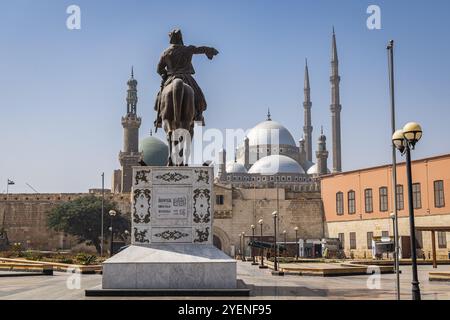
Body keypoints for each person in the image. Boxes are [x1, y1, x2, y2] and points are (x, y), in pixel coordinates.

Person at [154, 29, 219, 128]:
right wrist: (211, 51)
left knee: (160, 96)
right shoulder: (187, 49)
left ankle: (159, 118)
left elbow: (159, 69)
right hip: (187, 78)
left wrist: (164, 75)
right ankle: (199, 116)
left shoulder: (166, 53)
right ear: (180, 38)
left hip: (171, 78)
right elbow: (200, 49)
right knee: (198, 95)